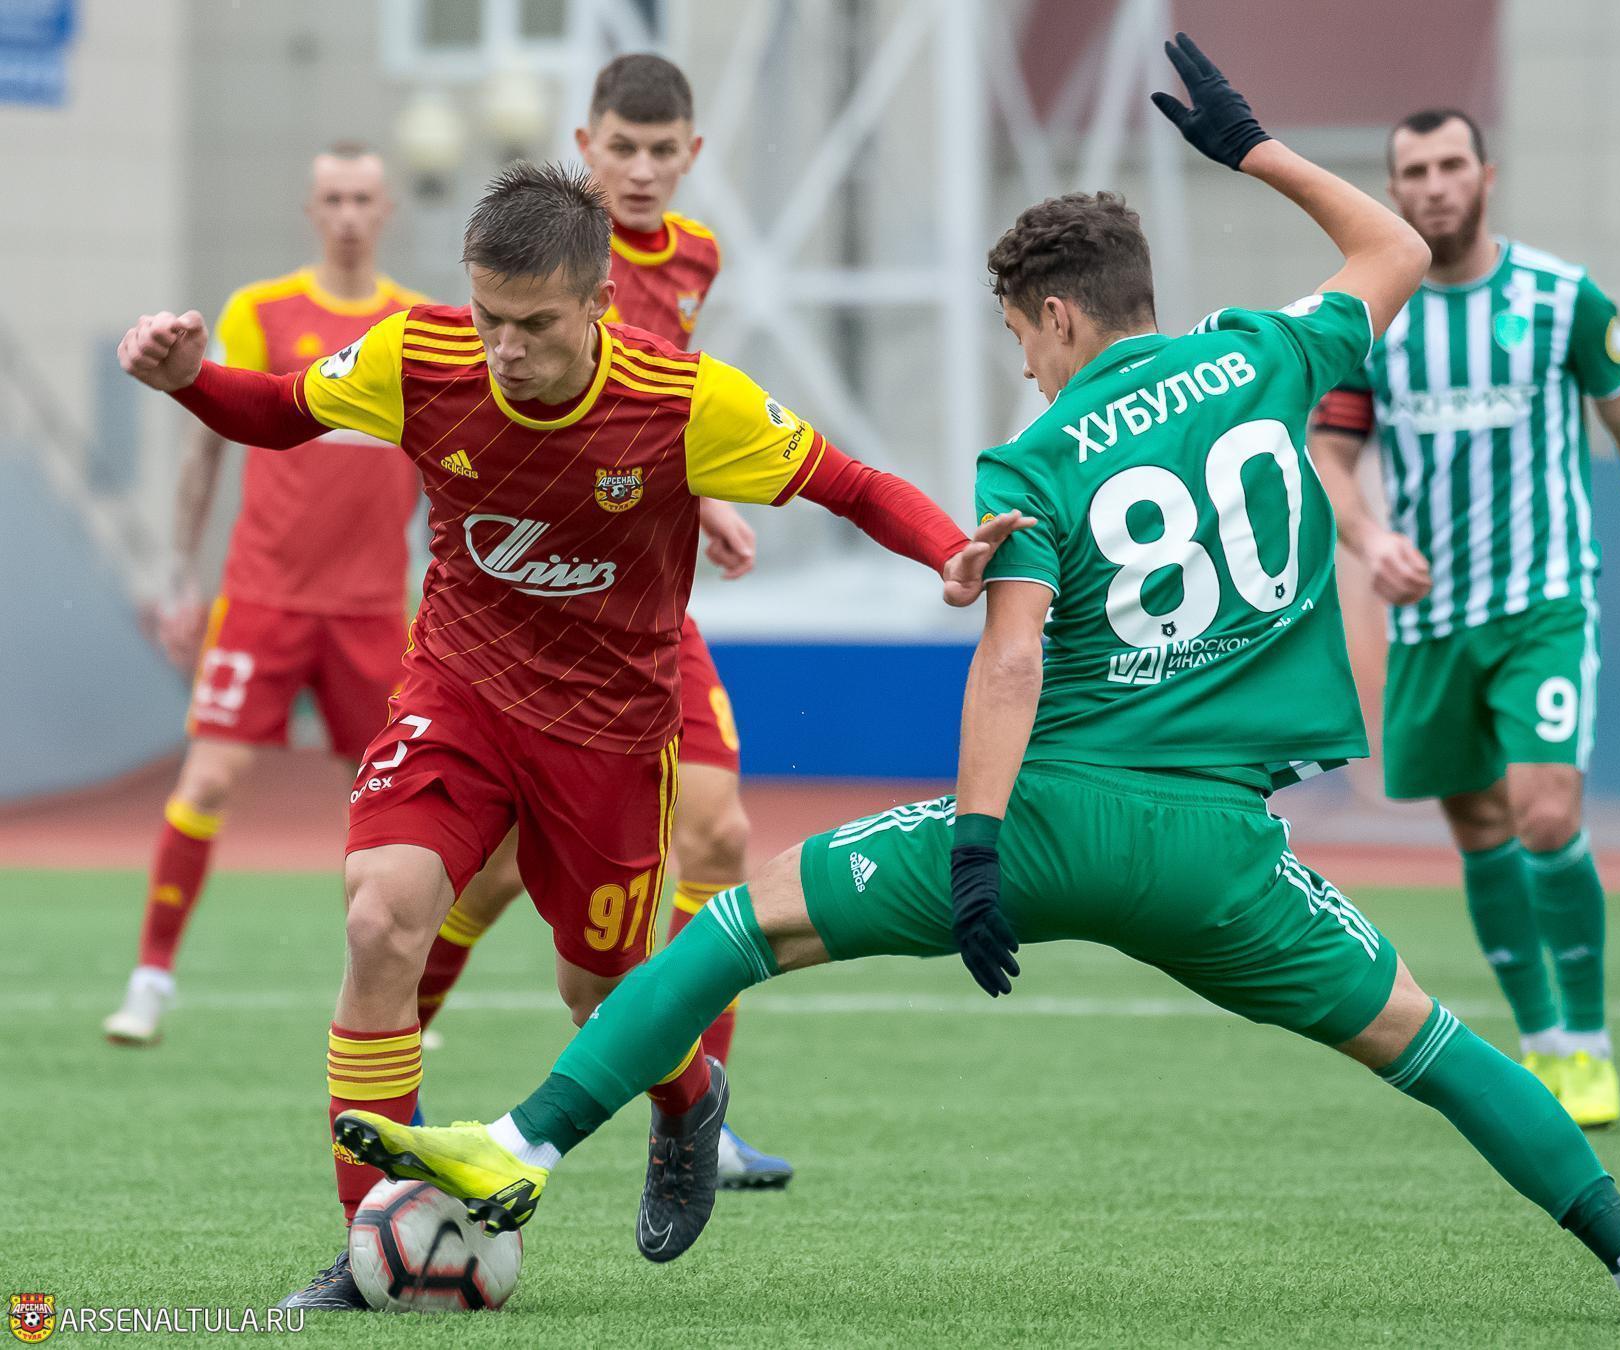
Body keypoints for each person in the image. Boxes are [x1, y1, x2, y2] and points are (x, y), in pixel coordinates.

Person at [330, 38, 1620, 1325]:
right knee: (1432, 1044)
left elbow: (1012, 658)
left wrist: (974, 844)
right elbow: (1390, 241)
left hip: (1052, 823)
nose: (1022, 366)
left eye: (1018, 337)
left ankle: (518, 1144)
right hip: (1224, 859)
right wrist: (1255, 149)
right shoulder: (1270, 354)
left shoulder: (1039, 458)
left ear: (1060, 319)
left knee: (734, 926)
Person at [117, 160, 1020, 1309]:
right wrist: (191, 381)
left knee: (599, 995)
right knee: (379, 919)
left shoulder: (684, 402)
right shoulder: (418, 355)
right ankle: (373, 1247)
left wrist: (947, 549)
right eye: (488, 317)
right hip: (457, 697)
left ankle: (689, 1101)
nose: (504, 347)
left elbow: (849, 483)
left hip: (608, 738)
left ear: (598, 303)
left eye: (535, 324)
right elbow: (283, 412)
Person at [1307, 108, 1620, 1128]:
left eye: (1452, 164)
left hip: (1543, 601)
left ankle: (1588, 1043)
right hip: (1430, 618)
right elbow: (1331, 455)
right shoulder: (1374, 317)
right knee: (1480, 828)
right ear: (1394, 190)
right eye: (1415, 171)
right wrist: (1369, 539)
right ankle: (1543, 1042)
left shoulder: (1562, 299)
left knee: (1545, 813)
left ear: (1486, 176)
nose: (1435, 184)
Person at [412, 52, 791, 1189]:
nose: (639, 169)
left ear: (691, 155)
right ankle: (398, 1048)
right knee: (494, 874)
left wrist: (706, 501)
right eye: (619, 147)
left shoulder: (696, 257)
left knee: (717, 836)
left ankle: (704, 1116)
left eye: (660, 150)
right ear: (585, 147)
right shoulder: (545, 258)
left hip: (639, 605)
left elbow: (660, 405)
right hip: (534, 607)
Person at [104, 144, 427, 1047]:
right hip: (263, 597)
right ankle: (150, 980)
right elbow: (208, 439)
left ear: (386, 209)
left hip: (374, 608)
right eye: (335, 198)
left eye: (363, 198)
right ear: (312, 209)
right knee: (209, 777)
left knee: (392, 802)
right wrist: (180, 573)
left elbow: (446, 469)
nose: (349, 214)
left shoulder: (415, 327)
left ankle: (393, 994)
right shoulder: (261, 310)